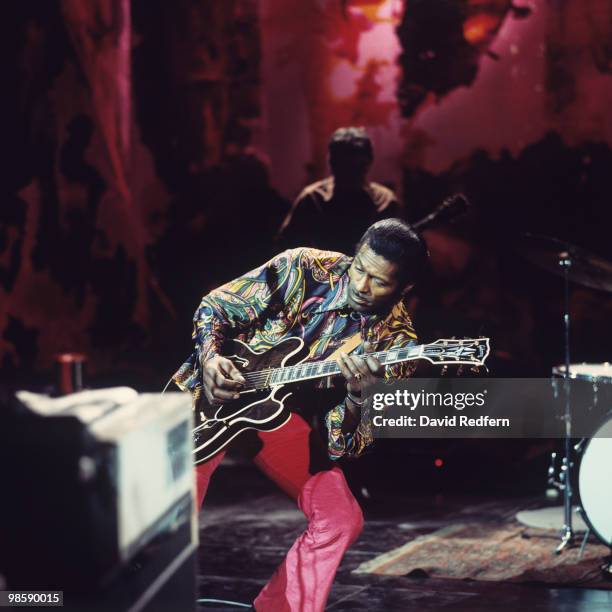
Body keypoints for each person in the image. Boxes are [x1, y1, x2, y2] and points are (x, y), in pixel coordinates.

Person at [173, 218, 428, 611]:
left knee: (341, 517)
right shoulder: (303, 266)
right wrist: (211, 360)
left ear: (404, 288)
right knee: (171, 514)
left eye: (379, 281)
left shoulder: (395, 344)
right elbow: (215, 307)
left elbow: (349, 445)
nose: (361, 286)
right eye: (359, 268)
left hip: (277, 418)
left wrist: (360, 396)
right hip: (213, 396)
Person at [276, 127, 404, 254]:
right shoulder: (313, 199)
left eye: (355, 166)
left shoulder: (386, 201)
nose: (348, 174)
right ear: (331, 163)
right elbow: (286, 248)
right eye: (343, 166)